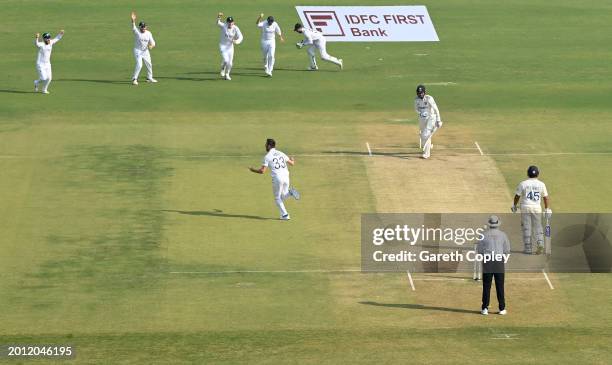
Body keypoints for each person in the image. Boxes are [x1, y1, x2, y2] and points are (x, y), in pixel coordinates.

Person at [249, 139, 300, 220]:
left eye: (266, 144)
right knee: (283, 196)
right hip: (286, 176)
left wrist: (252, 170)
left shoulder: (267, 156)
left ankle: (285, 215)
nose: (265, 146)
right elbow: (292, 163)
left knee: (277, 198)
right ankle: (290, 193)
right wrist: (293, 159)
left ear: (269, 146)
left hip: (278, 178)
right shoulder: (281, 153)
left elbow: (262, 171)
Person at [512, 165, 551, 254]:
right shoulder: (541, 184)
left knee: (526, 228)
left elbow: (517, 196)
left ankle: (528, 248)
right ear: (538, 174)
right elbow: (545, 197)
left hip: (525, 207)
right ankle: (540, 244)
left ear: (527, 173)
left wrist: (514, 205)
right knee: (538, 227)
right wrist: (547, 209)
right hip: (537, 208)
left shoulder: (523, 183)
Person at [477, 215, 511, 315]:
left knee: (486, 285)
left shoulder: (483, 235)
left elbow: (480, 250)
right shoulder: (503, 235)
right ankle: (502, 308)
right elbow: (507, 250)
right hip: (499, 261)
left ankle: (485, 308)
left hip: (488, 260)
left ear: (489, 224)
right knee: (500, 285)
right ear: (497, 224)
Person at [414, 84, 442, 159]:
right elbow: (416, 109)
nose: (420, 94)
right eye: (419, 93)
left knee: (426, 134)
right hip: (422, 118)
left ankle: (427, 154)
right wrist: (421, 113)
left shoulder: (429, 98)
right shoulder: (416, 99)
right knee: (423, 135)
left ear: (424, 92)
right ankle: (429, 146)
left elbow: (436, 109)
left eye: (421, 93)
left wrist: (438, 120)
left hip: (431, 118)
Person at [34, 30, 64, 94]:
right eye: (46, 38)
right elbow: (36, 44)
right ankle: (36, 82)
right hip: (40, 64)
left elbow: (57, 38)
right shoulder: (41, 44)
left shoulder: (51, 42)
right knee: (43, 78)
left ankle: (44, 90)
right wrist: (36, 38)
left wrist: (61, 34)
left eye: (49, 38)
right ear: (44, 39)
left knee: (49, 78)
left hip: (47, 64)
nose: (48, 40)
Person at [130, 11, 156, 85]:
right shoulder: (137, 32)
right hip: (137, 51)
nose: (143, 28)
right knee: (139, 64)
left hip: (145, 51)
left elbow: (153, 42)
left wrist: (151, 46)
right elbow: (133, 27)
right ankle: (134, 79)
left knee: (149, 64)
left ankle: (149, 78)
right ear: (140, 27)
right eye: (142, 27)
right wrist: (133, 20)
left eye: (144, 27)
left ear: (146, 27)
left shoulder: (148, 33)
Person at [217, 13, 243, 81]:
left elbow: (241, 37)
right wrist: (219, 17)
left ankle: (227, 74)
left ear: (233, 22)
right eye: (229, 22)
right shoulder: (224, 26)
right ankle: (222, 69)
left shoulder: (236, 28)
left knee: (230, 63)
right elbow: (218, 22)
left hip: (230, 47)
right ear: (227, 22)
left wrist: (236, 41)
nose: (230, 24)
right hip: (223, 46)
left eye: (231, 22)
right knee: (225, 60)